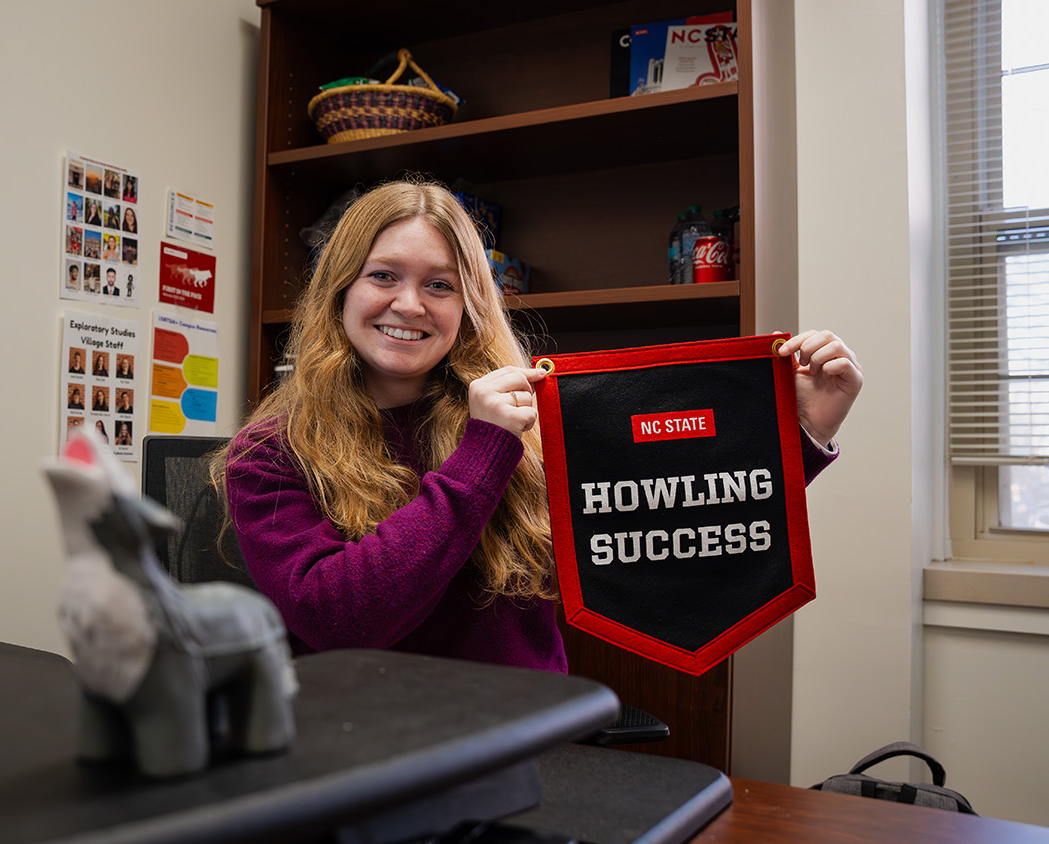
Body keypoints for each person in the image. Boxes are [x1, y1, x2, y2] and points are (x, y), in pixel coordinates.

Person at [215, 179, 863, 673]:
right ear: (340, 291)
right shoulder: (270, 454)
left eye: (440, 285)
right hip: (368, 760)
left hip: (529, 752)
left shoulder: (531, 420)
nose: (409, 304)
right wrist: (482, 453)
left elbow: (665, 532)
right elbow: (342, 619)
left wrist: (798, 435)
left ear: (468, 304)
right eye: (383, 276)